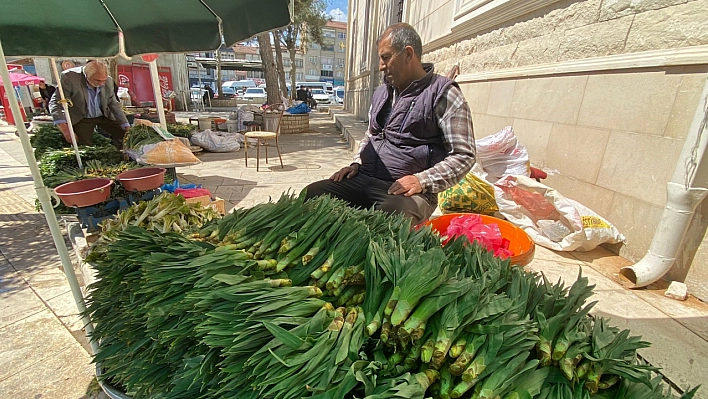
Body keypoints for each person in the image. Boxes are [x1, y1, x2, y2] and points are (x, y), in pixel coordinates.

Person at [303, 23, 476, 224]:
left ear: (408, 54)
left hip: (408, 192)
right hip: (365, 178)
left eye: (386, 57)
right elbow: (371, 135)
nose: (381, 66)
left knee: (389, 219)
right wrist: (357, 163)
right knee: (313, 194)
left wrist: (422, 180)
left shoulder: (443, 93)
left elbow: (464, 154)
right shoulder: (382, 92)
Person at [49, 61, 130, 149]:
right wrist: (65, 129)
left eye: (104, 80)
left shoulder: (108, 80)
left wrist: (126, 125)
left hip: (104, 115)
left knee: (128, 135)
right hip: (82, 117)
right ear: (86, 75)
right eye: (98, 80)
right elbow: (56, 102)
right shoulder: (69, 78)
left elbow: (113, 103)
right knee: (83, 146)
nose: (101, 83)